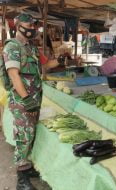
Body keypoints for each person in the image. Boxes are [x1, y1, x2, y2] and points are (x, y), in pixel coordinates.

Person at [3, 13, 58, 190]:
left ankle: (27, 167)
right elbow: (13, 75)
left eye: (33, 27)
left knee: (31, 134)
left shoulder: (32, 48)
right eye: (28, 26)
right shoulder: (12, 47)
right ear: (18, 26)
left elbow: (46, 65)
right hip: (22, 101)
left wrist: (62, 57)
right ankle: (21, 178)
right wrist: (26, 100)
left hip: (35, 99)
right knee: (24, 136)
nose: (32, 30)